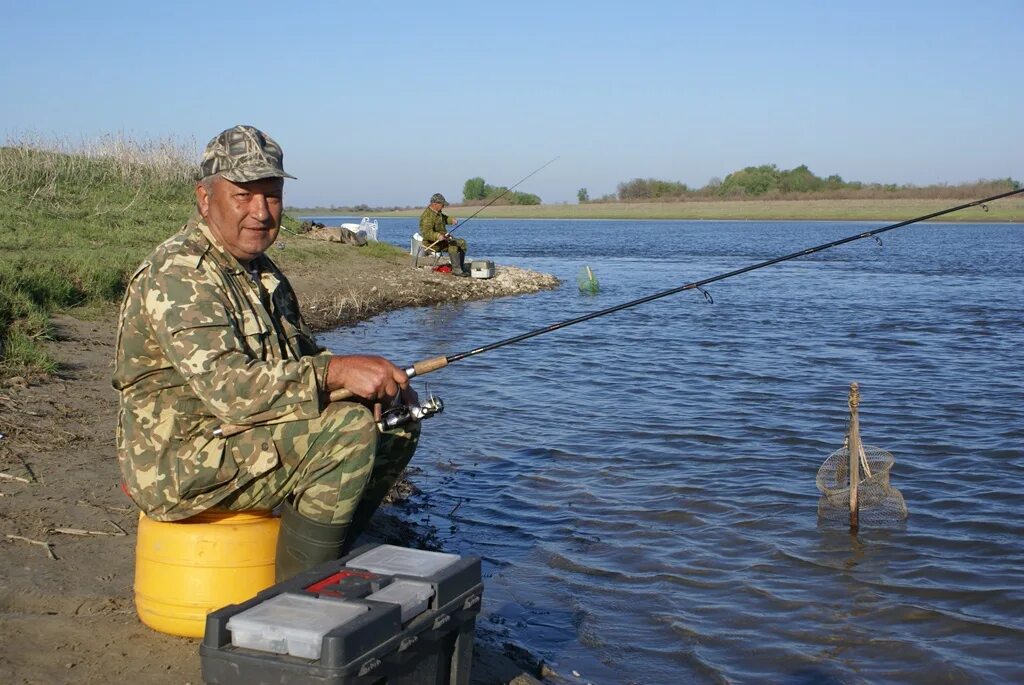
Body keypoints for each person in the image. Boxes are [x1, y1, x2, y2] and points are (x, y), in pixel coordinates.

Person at [112, 125, 420, 581]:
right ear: (204, 198)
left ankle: (318, 556)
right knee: (348, 432)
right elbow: (229, 389)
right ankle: (294, 600)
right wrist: (336, 373)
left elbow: (302, 358)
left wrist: (371, 383)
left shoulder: (262, 272)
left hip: (242, 434)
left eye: (272, 195)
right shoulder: (180, 274)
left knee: (396, 420)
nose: (260, 212)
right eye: (243, 196)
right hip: (179, 462)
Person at [419, 192, 469, 276]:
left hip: (443, 240)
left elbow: (445, 218)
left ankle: (460, 267)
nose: (443, 206)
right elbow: (426, 233)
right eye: (442, 204)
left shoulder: (438, 213)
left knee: (462, 242)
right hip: (432, 243)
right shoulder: (427, 216)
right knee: (453, 245)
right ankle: (456, 271)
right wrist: (437, 236)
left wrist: (452, 220)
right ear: (435, 204)